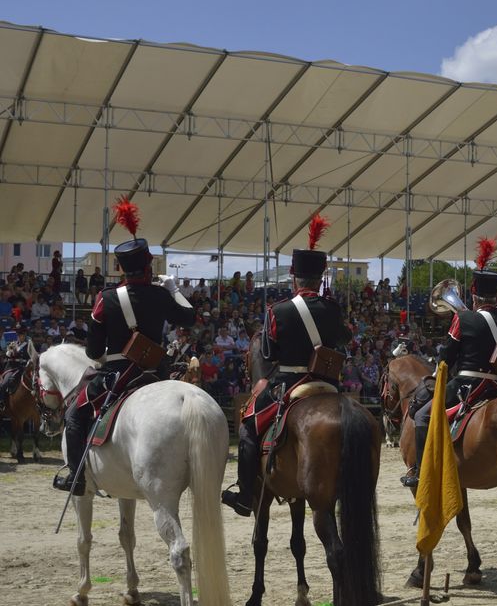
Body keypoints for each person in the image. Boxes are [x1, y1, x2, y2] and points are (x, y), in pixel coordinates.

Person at [53, 198, 196, 495]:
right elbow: (190, 318)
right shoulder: (160, 295)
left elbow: (92, 352)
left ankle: (75, 477)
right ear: (148, 267)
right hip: (157, 372)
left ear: (120, 269)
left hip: (117, 375)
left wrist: (108, 356)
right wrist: (174, 290)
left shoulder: (106, 299)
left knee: (74, 415)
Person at [222, 214, 350, 517]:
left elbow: (268, 351)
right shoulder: (332, 308)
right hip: (327, 384)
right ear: (320, 280)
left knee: (248, 429)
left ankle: (244, 495)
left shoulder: (277, 310)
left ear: (294, 278)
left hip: (288, 384)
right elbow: (344, 339)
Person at [402, 238, 497, 488]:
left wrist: (440, 368)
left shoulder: (463, 318)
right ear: (495, 296)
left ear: (473, 295)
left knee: (422, 416)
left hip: (468, 384)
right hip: (496, 389)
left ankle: (421, 471)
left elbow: (446, 357)